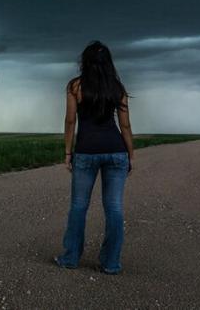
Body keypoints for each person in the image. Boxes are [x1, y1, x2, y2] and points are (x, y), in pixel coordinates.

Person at [54, 40, 135, 275]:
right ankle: (110, 263)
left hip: (86, 152)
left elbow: (70, 121)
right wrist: (130, 154)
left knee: (79, 206)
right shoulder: (117, 88)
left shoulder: (75, 86)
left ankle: (70, 258)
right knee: (115, 208)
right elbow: (126, 126)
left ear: (84, 62)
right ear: (108, 62)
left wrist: (68, 151)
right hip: (116, 151)